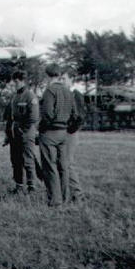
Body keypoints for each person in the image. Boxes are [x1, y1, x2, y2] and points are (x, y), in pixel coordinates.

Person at [38, 64, 77, 207]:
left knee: (50, 167)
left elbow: (47, 113)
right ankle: (65, 198)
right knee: (63, 167)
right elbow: (74, 114)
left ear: (47, 76)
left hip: (50, 132)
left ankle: (55, 200)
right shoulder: (68, 91)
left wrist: (41, 129)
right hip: (64, 132)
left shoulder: (49, 91)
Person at [4, 70, 39, 194]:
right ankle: (18, 186)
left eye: (15, 82)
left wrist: (23, 130)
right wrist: (8, 134)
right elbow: (10, 117)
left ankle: (31, 186)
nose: (13, 84)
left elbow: (33, 117)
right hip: (14, 133)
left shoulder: (30, 96)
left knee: (28, 160)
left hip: (26, 132)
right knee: (15, 160)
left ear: (20, 81)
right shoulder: (14, 97)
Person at [61, 66, 86, 202]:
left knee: (68, 163)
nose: (61, 81)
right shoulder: (62, 94)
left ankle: (78, 195)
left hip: (70, 133)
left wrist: (69, 130)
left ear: (72, 79)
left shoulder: (76, 95)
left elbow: (80, 117)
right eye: (60, 78)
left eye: (64, 78)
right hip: (61, 133)